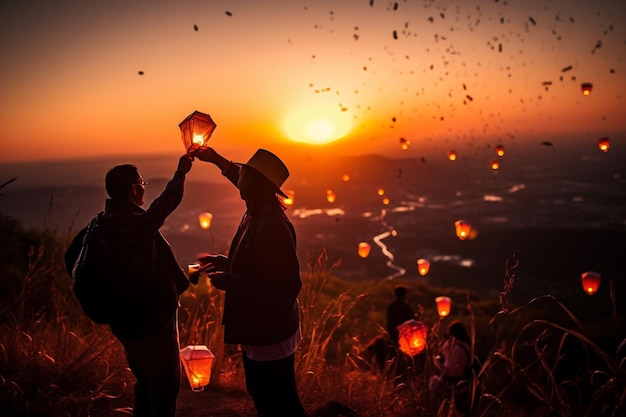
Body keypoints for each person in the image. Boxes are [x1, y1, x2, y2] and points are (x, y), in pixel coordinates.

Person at [74, 154, 193, 416]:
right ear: (132, 189)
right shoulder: (132, 224)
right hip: (151, 321)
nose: (143, 187)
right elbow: (165, 204)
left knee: (145, 381)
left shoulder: (102, 221)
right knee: (164, 387)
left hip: (125, 320)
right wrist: (181, 171)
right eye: (141, 183)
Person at [194, 147, 306, 417]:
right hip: (259, 326)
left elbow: (286, 284)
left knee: (280, 399)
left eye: (245, 173)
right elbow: (260, 267)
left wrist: (233, 281)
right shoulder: (256, 211)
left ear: (255, 184)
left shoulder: (274, 226)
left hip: (271, 329)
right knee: (259, 390)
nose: (239, 176)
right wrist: (228, 262)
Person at [386, 285, 425, 377]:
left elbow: (389, 322)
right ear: (404, 295)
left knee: (392, 358)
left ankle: (389, 377)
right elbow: (413, 322)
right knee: (402, 359)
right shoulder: (405, 307)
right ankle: (401, 376)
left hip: (392, 335)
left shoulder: (391, 306)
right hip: (403, 338)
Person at [429, 320, 472, 397]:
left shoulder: (456, 347)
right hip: (464, 376)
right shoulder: (466, 344)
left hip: (455, 379)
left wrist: (436, 361)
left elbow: (450, 369)